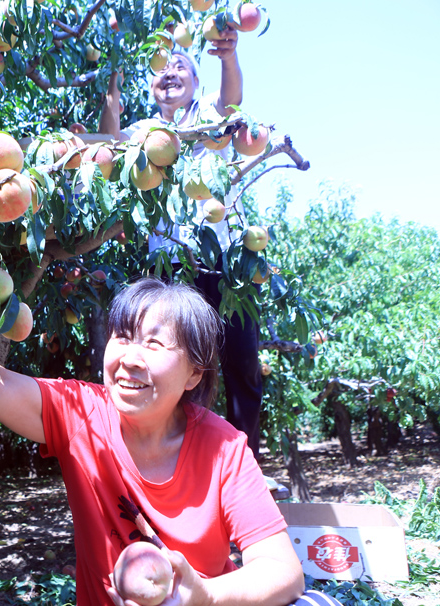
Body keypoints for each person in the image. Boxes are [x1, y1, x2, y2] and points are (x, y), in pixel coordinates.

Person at [0, 238, 341, 606]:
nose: (128, 358)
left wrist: (205, 595)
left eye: (153, 343)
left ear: (195, 372)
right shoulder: (79, 414)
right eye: (121, 336)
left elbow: (282, 570)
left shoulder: (224, 449)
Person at [99, 27, 264, 460]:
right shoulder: (144, 132)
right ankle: (183, 461)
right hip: (170, 270)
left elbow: (233, 100)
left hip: (224, 262)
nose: (170, 74)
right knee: (177, 366)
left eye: (181, 68)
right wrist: (113, 82)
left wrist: (227, 56)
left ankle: (247, 461)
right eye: (162, 70)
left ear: (195, 82)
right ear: (151, 84)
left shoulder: (209, 117)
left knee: (243, 361)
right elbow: (110, 144)